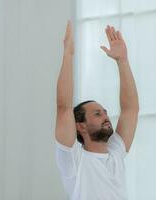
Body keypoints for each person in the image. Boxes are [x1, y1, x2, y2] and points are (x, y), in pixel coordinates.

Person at [55, 21, 139, 200]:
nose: (106, 116)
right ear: (81, 126)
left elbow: (130, 110)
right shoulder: (74, 161)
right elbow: (64, 108)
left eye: (105, 112)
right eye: (97, 114)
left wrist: (122, 61)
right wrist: (68, 55)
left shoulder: (115, 152)